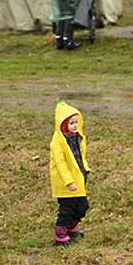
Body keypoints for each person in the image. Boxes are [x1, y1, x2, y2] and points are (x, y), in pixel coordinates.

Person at [50, 101, 91, 246]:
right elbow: (61, 164)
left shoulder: (77, 137)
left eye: (76, 122)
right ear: (62, 124)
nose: (75, 126)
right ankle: (60, 235)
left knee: (82, 206)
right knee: (67, 209)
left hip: (78, 177)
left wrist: (85, 169)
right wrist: (69, 181)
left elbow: (80, 156)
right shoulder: (58, 141)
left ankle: (70, 227)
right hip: (65, 183)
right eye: (71, 123)